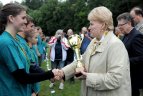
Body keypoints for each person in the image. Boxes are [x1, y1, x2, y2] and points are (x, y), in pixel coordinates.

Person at [57, 6, 131, 96]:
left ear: (103, 25)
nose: (89, 28)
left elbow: (115, 79)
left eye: (92, 24)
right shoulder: (94, 41)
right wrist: (62, 72)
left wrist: (87, 77)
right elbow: (81, 61)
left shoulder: (115, 45)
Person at [0, 3, 59, 96]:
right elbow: (22, 77)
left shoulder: (15, 40)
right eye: (23, 18)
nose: (25, 21)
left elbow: (29, 67)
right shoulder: (6, 42)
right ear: (11, 18)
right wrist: (49, 74)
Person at [117, 12, 143, 96]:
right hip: (127, 75)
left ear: (128, 23)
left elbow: (141, 57)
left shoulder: (136, 36)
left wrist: (125, 61)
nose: (119, 28)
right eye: (118, 25)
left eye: (121, 25)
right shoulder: (125, 35)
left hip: (135, 76)